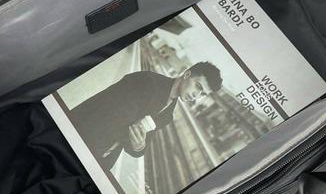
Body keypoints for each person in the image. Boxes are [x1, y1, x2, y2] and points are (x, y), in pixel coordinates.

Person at [69, 62, 223, 170]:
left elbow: (140, 146)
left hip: (102, 160)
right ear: (187, 74)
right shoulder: (146, 81)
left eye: (203, 94)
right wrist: (133, 140)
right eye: (198, 86)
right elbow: (112, 120)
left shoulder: (167, 115)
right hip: (78, 137)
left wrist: (139, 146)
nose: (197, 95)